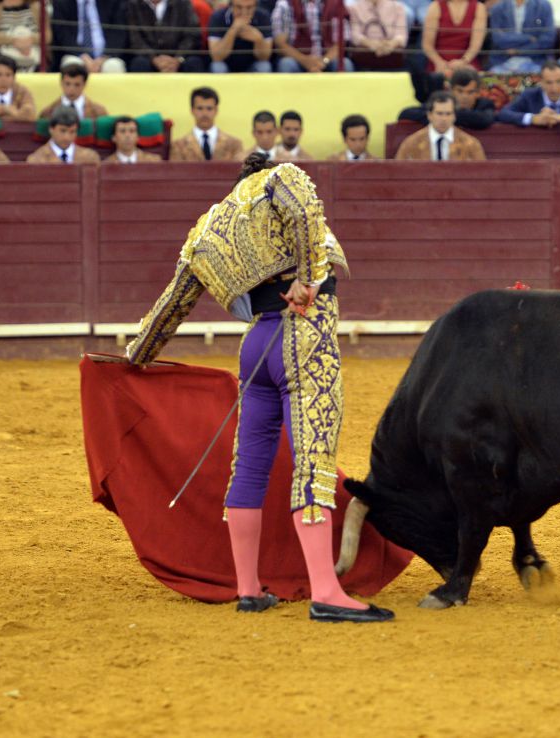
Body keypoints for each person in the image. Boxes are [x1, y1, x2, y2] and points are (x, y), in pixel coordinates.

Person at [124, 156, 394, 623]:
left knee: (248, 464)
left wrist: (136, 354)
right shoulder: (278, 179)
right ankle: (326, 592)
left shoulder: (206, 231)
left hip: (255, 350)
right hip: (304, 336)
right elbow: (304, 207)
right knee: (313, 458)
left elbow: (173, 303)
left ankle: (248, 589)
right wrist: (308, 280)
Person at [497, 60, 560, 127]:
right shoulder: (529, 96)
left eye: (558, 82)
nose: (554, 89)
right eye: (549, 83)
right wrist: (532, 118)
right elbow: (503, 114)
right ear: (541, 82)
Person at [395, 90, 486, 160]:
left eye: (448, 114)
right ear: (429, 115)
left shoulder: (471, 145)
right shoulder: (411, 144)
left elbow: (482, 178)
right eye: (439, 113)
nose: (444, 119)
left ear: (454, 116)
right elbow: (398, 175)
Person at [398, 67, 497, 130]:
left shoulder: (485, 104)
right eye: (460, 91)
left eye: (470, 92)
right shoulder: (443, 102)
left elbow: (484, 120)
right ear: (451, 91)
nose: (464, 96)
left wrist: (442, 116)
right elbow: (405, 113)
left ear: (478, 93)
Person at [272, 0, 353, 72]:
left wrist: (323, 61)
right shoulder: (285, 4)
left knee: (346, 64)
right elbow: (281, 44)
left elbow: (340, 42)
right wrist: (305, 61)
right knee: (286, 64)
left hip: (326, 60)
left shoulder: (336, 3)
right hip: (298, 60)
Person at [127, 0, 206, 73]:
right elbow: (135, 38)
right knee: (139, 63)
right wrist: (153, 58)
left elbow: (192, 35)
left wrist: (178, 58)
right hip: (148, 58)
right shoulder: (134, 4)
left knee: (194, 63)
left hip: (180, 57)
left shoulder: (183, 3)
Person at [50, 0, 129, 73]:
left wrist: (104, 57)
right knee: (72, 65)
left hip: (107, 56)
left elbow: (118, 33)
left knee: (113, 66)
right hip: (75, 54)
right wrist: (82, 56)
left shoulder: (111, 2)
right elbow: (63, 34)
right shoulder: (62, 2)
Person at [169, 87, 244, 162]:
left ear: (216, 110)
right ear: (192, 110)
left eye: (209, 108)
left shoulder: (234, 144)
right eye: (200, 108)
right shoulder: (179, 146)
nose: (205, 114)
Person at [488, 0, 556, 74]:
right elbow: (498, 39)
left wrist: (519, 51)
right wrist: (528, 38)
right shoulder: (498, 8)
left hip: (536, 61)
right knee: (490, 80)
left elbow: (547, 39)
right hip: (502, 61)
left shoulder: (543, 6)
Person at [422, 0, 488, 74]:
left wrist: (463, 61)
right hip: (438, 62)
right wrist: (439, 62)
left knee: (467, 76)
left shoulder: (479, 8)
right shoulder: (435, 6)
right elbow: (427, 45)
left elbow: (476, 45)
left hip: (467, 61)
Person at [208, 0, 273, 73]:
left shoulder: (263, 16)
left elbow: (265, 57)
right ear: (231, 6)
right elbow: (216, 57)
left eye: (249, 7)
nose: (244, 12)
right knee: (217, 66)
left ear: (255, 6)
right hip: (226, 64)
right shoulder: (218, 17)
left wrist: (259, 40)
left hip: (252, 65)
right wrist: (233, 31)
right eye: (239, 7)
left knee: (264, 66)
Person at [25, 105, 101, 164]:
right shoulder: (36, 160)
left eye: (72, 132)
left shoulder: (90, 158)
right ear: (51, 129)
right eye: (62, 131)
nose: (67, 137)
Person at [0, 0, 46, 72]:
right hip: (3, 53)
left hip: (32, 52)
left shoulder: (37, 7)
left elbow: (47, 36)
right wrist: (14, 41)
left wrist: (30, 40)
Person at [347, 0, 408, 70]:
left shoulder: (397, 7)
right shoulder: (354, 8)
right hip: (364, 57)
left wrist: (390, 45)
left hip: (391, 55)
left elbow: (401, 36)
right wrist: (371, 44)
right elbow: (355, 35)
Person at [38, 64, 108, 120]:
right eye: (68, 84)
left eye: (77, 85)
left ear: (84, 84)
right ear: (61, 83)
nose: (71, 89)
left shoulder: (99, 112)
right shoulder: (48, 113)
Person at [0, 54, 36, 121]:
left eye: (8, 75)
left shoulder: (22, 91)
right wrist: (6, 109)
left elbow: (30, 115)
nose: (3, 79)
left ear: (14, 77)